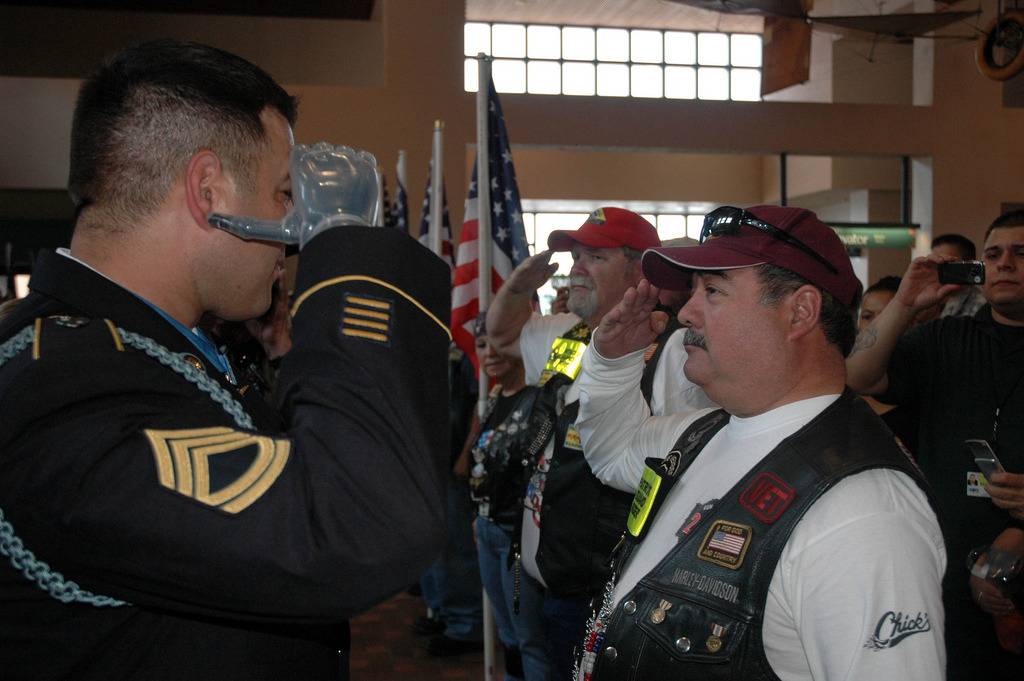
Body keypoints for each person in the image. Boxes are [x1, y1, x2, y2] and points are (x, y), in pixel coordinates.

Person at [0, 40, 450, 680]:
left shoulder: (152, 348)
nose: (294, 227)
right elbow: (360, 523)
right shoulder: (61, 390)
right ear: (208, 190)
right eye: (283, 192)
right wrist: (346, 251)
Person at [574, 205, 946, 680]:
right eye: (692, 291)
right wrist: (612, 360)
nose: (685, 311)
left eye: (712, 290)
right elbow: (610, 449)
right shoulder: (703, 433)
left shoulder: (863, 514)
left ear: (800, 312)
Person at [487, 207, 714, 681]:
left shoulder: (672, 349)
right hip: (540, 572)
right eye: (575, 256)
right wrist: (519, 285)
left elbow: (686, 472)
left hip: (601, 591)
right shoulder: (566, 334)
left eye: (594, 256)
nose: (576, 268)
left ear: (639, 270)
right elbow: (501, 335)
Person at [847, 209, 1024, 680]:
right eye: (993, 254)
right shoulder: (945, 339)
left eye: (1021, 253)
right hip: (944, 573)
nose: (1005, 263)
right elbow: (857, 375)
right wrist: (904, 303)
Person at [468, 313, 549, 681]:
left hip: (518, 539)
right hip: (487, 530)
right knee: (507, 635)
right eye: (482, 344)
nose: (491, 352)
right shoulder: (493, 398)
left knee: (529, 638)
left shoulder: (540, 400)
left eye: (501, 341)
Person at [932, 233, 987, 318]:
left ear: (969, 265)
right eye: (935, 263)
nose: (939, 270)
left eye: (947, 264)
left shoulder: (981, 305)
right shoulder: (940, 299)